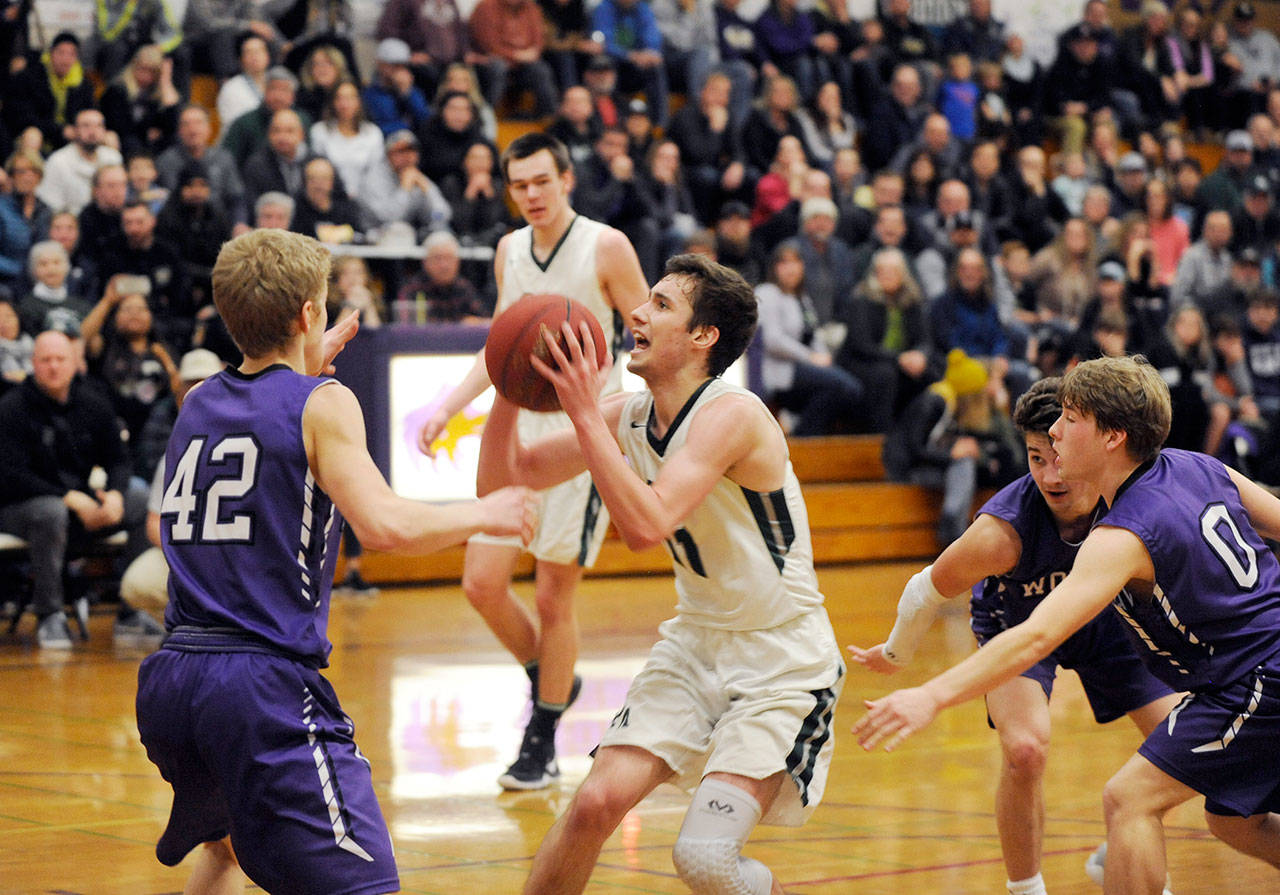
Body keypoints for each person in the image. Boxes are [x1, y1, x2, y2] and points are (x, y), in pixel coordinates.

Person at [134, 227, 537, 894]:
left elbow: (263, 409)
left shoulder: (197, 402)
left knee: (229, 848)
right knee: (365, 885)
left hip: (173, 682)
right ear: (310, 313)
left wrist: (303, 361)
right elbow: (384, 524)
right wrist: (487, 512)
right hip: (256, 686)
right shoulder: (325, 403)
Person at [476, 252, 843, 895]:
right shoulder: (631, 413)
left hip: (780, 663)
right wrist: (508, 383)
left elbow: (647, 527)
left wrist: (586, 412)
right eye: (645, 300)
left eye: (662, 306)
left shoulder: (733, 414)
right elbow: (507, 476)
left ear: (704, 337)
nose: (637, 314)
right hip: (693, 645)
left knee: (702, 860)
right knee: (592, 805)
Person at [856, 354, 1280, 895]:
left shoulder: (1122, 534)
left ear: (1112, 437)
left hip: (1255, 683)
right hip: (1246, 676)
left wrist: (932, 696)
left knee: (1129, 799)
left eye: (1071, 419)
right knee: (1232, 821)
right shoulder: (1197, 464)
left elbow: (1036, 635)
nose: (1055, 431)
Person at [416, 133, 649, 790]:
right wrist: (450, 405)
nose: (531, 195)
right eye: (519, 185)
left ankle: (542, 736)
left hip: (584, 438)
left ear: (567, 178)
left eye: (542, 181)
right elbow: (501, 350)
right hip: (518, 437)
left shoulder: (607, 246)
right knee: (481, 583)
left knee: (553, 594)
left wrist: (640, 419)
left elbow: (647, 331)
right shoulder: (508, 250)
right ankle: (554, 679)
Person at [0, 330, 155, 648]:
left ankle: (131, 611)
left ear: (75, 363)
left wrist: (113, 494)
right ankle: (49, 615)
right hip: (21, 509)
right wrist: (69, 498)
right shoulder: (11, 408)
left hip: (83, 510)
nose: (54, 367)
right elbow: (10, 475)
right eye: (46, 360)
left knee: (141, 500)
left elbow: (119, 460)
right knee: (50, 511)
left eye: (61, 359)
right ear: (33, 364)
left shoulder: (94, 403)